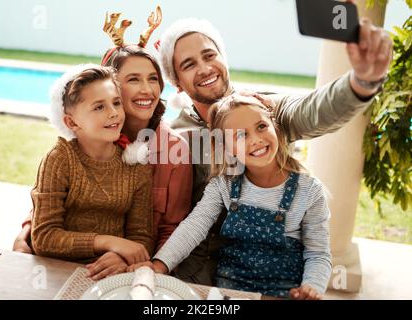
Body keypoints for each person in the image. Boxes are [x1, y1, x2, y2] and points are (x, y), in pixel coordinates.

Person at [153, 16, 392, 285]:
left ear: (224, 57)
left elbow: (314, 110)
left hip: (273, 273)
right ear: (177, 83)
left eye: (210, 55)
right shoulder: (177, 136)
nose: (205, 68)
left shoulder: (263, 109)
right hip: (200, 273)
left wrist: (361, 83)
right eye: (189, 64)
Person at [14, 8, 193, 281]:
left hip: (131, 269)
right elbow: (48, 215)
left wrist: (133, 259)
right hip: (60, 264)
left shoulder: (164, 153)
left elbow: (162, 232)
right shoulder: (69, 151)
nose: (147, 89)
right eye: (133, 79)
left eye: (153, 78)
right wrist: (27, 232)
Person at [149, 93, 332, 299]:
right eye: (241, 135)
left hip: (283, 294)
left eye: (261, 126)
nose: (256, 140)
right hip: (230, 293)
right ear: (226, 148)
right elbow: (193, 227)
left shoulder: (309, 190)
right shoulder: (223, 186)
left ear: (275, 126)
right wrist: (159, 264)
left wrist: (311, 287)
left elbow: (318, 253)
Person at [30, 64, 155, 266]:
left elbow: (142, 237)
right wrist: (107, 242)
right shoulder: (60, 159)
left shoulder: (136, 165)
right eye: (99, 107)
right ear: (71, 123)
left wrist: (119, 256)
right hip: (59, 268)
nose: (114, 113)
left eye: (116, 102)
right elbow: (44, 238)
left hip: (111, 271)